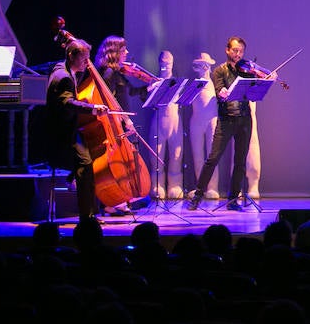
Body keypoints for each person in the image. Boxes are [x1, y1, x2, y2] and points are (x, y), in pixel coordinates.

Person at [186, 36, 276, 211]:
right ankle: (197, 196)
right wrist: (223, 92)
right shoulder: (219, 71)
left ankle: (233, 200)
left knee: (240, 161)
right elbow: (219, 89)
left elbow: (258, 84)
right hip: (227, 118)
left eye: (241, 51)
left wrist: (270, 77)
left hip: (244, 120)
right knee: (213, 158)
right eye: (235, 50)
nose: (238, 54)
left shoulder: (246, 70)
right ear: (227, 50)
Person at [45, 38, 109, 221]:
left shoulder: (63, 68)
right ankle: (87, 216)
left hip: (69, 129)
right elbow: (67, 102)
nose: (87, 63)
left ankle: (88, 212)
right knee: (85, 165)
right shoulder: (64, 77)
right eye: (84, 58)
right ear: (72, 55)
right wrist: (92, 108)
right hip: (62, 134)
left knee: (88, 161)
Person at [93, 35, 152, 215]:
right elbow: (108, 100)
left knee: (125, 161)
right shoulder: (109, 73)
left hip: (122, 121)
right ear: (114, 52)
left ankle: (121, 197)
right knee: (118, 161)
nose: (126, 53)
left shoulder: (117, 72)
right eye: (123, 50)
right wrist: (124, 119)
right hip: (115, 123)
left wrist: (148, 88)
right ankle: (112, 200)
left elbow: (130, 92)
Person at [149, 50, 184, 199]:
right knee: (156, 155)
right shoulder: (154, 81)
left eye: (169, 62)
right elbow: (148, 100)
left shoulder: (177, 82)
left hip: (174, 122)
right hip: (158, 120)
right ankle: (157, 185)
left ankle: (175, 185)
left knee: (176, 155)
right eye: (163, 62)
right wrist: (152, 88)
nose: (166, 65)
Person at [187, 52, 220, 199]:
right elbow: (186, 100)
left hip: (211, 121)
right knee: (198, 155)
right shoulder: (195, 84)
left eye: (204, 65)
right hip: (196, 121)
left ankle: (212, 187)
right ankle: (200, 188)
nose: (202, 67)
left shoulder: (215, 84)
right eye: (199, 65)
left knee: (212, 156)